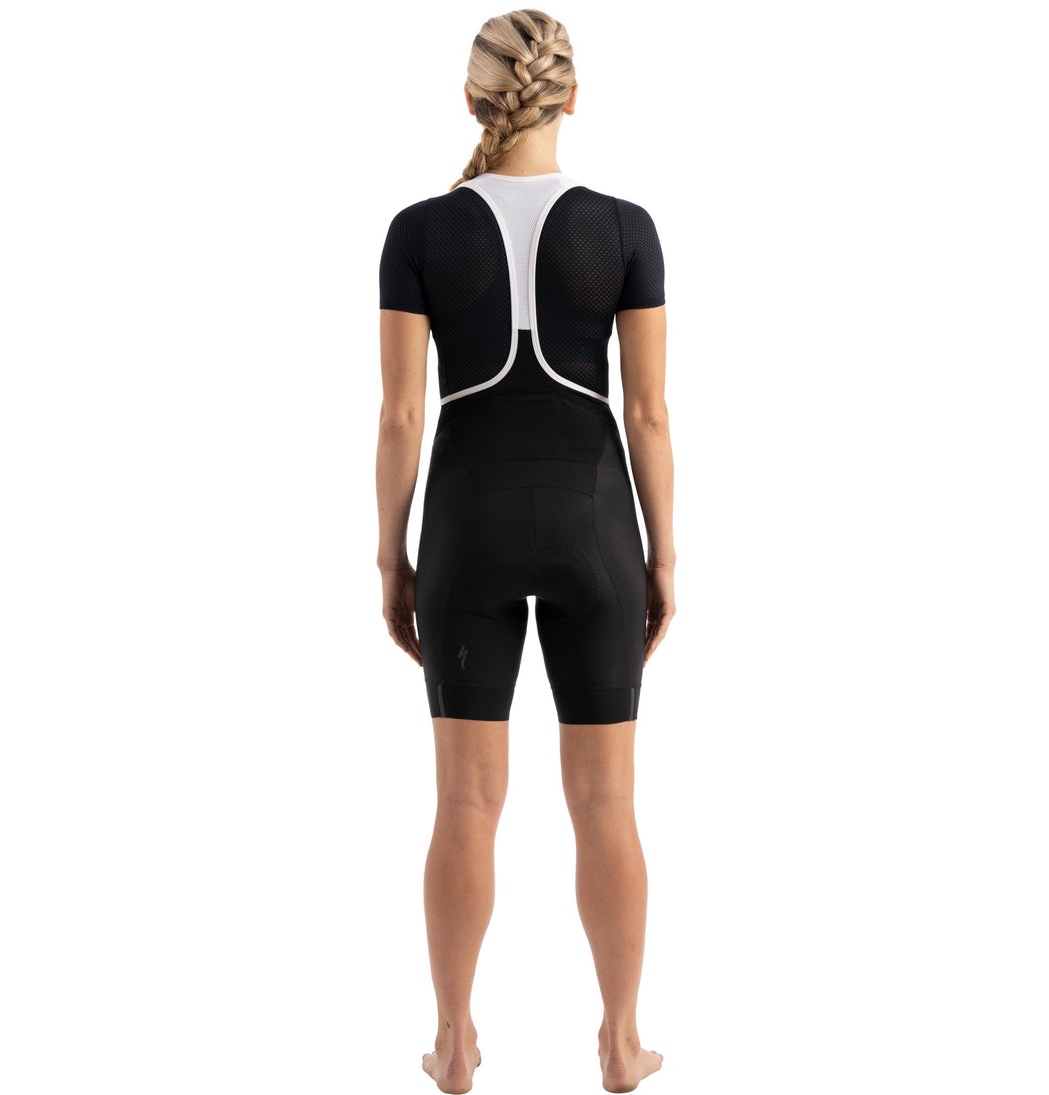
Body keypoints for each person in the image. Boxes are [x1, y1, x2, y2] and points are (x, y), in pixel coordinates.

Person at [374, 10, 676, 1093]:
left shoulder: (417, 233)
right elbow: (647, 413)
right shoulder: (626, 229)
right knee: (605, 802)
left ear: (471, 100)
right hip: (597, 526)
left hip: (467, 526)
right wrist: (663, 557)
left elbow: (401, 417)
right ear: (572, 97)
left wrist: (391, 558)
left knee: (465, 801)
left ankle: (454, 1043)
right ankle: (620, 1042)